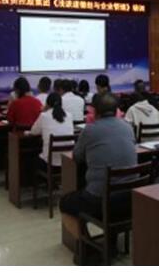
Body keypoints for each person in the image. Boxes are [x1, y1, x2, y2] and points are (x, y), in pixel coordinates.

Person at [59, 93, 137, 253]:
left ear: (95, 111)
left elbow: (77, 156)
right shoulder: (127, 126)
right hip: (129, 198)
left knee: (65, 203)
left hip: (100, 200)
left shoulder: (90, 130)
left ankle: (86, 246)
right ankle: (109, 243)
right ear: (116, 110)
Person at [30, 92, 74, 168]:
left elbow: (33, 131)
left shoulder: (44, 115)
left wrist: (43, 111)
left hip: (49, 161)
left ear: (47, 104)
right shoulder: (69, 115)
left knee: (31, 157)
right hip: (67, 160)